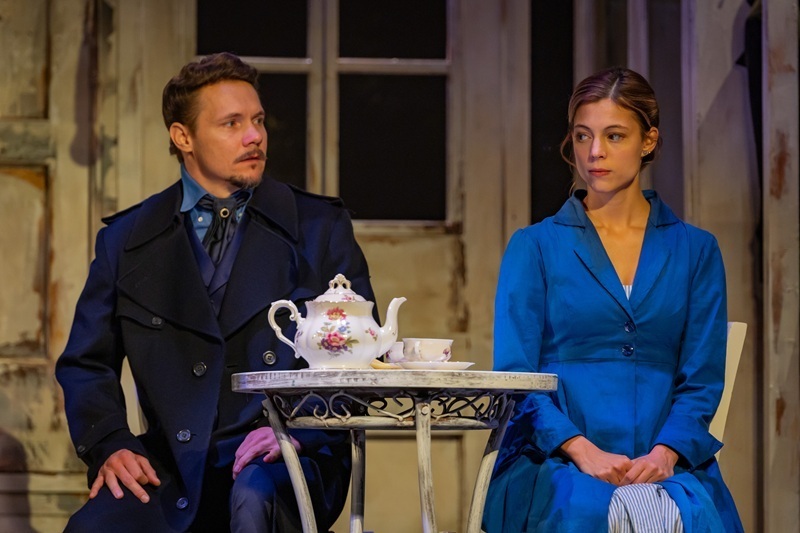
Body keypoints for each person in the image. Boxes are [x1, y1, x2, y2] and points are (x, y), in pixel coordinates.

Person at [55, 52, 375, 532]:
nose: (254, 136)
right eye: (232, 123)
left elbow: (364, 356)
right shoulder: (128, 239)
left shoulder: (317, 226)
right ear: (183, 137)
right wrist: (111, 443)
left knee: (254, 499)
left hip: (285, 454)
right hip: (172, 465)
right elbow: (86, 363)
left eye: (258, 121)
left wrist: (298, 429)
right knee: (94, 526)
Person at [482, 66, 744, 532]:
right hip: (554, 460)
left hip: (667, 463)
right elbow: (515, 377)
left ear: (648, 140)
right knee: (588, 513)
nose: (595, 152)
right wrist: (580, 449)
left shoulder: (695, 250)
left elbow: (702, 378)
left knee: (676, 516)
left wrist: (666, 453)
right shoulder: (536, 246)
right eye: (583, 136)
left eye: (614, 136)